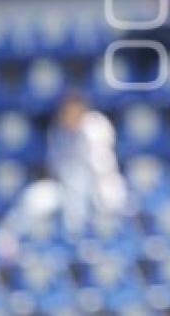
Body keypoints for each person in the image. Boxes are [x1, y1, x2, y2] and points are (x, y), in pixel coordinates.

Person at [47, 92, 127, 235]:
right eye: (67, 113)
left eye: (75, 112)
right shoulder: (58, 133)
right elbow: (55, 166)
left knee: (111, 195)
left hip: (101, 180)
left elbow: (103, 165)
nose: (71, 116)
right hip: (69, 186)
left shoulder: (96, 126)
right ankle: (74, 237)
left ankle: (114, 235)